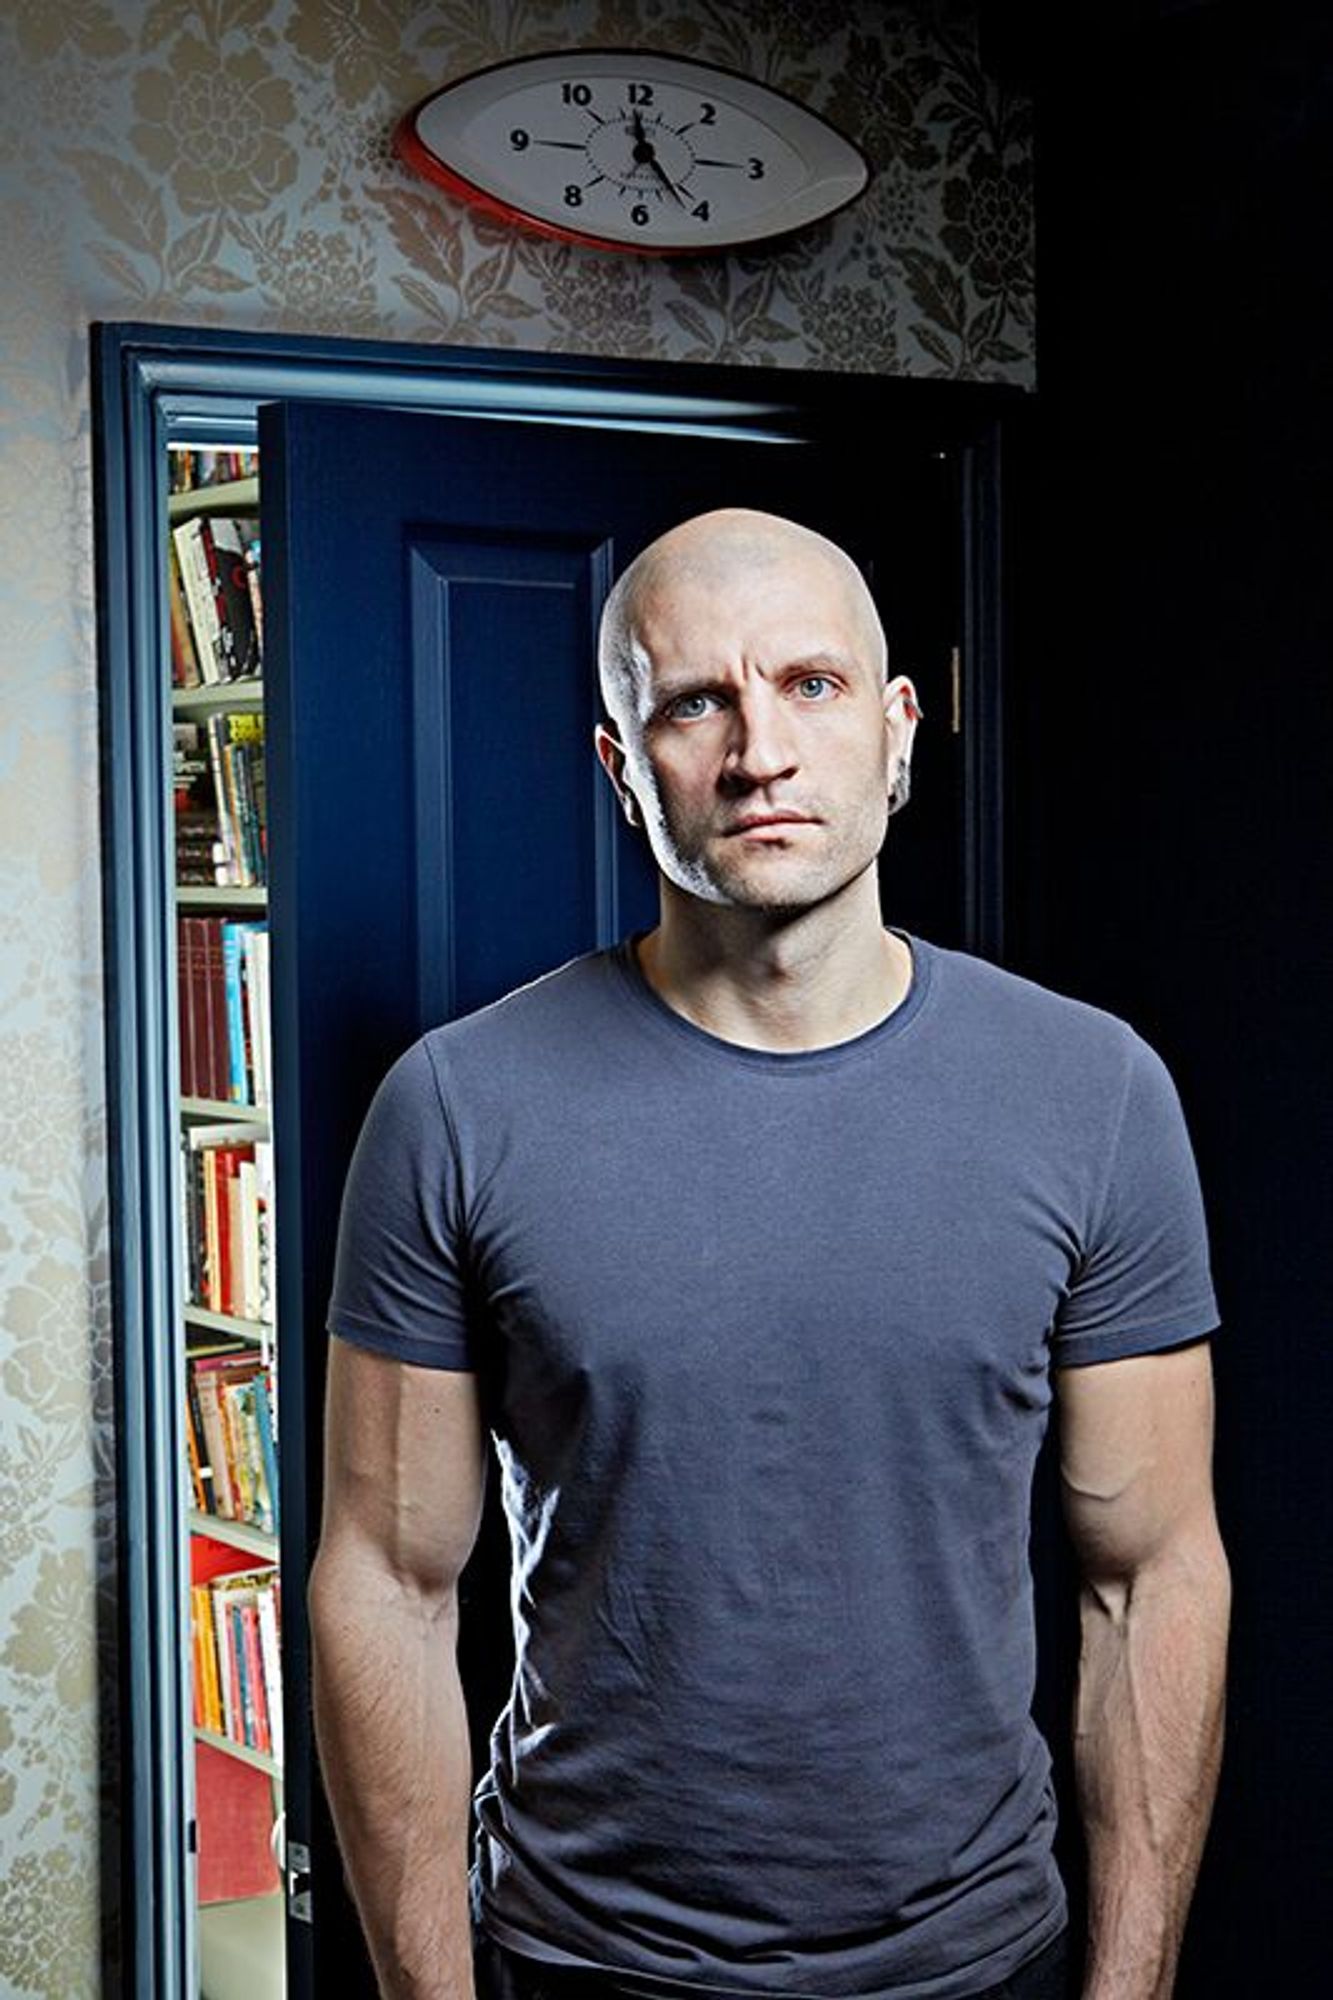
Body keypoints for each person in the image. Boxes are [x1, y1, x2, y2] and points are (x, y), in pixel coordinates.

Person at [309, 509, 1231, 2000]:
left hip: (973, 1961)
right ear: (620, 766)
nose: (759, 752)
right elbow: (385, 1584)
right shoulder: (457, 1106)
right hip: (582, 1957)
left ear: (895, 727)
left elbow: (1151, 1576)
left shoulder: (1095, 1093)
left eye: (808, 684)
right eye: (693, 702)